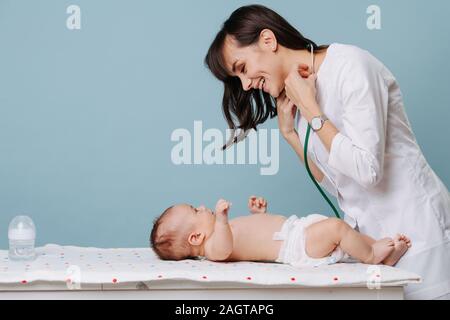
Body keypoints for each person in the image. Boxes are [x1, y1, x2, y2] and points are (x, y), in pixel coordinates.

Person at [203, 4, 449, 299]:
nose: (246, 85)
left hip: (419, 234)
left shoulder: (351, 66)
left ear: (268, 41)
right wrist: (290, 134)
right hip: (374, 245)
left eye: (242, 69)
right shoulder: (299, 93)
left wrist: (312, 111)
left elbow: (367, 171)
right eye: (237, 80)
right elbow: (338, 184)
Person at [150, 196, 411, 268]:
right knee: (337, 228)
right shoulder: (213, 248)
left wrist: (260, 215)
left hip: (296, 230)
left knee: (349, 236)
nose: (203, 206)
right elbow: (225, 249)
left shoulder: (221, 233)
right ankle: (372, 256)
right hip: (295, 246)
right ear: (195, 238)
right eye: (196, 210)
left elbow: (255, 237)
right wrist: (221, 218)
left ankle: (380, 251)